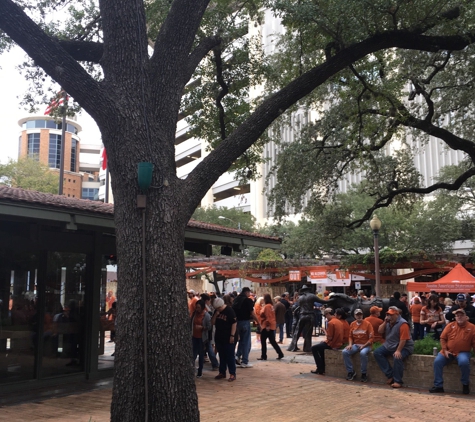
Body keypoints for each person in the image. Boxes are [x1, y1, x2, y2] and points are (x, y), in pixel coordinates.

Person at [429, 308, 475, 394]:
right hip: (448, 351)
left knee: (464, 362)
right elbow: (442, 338)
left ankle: (465, 384)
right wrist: (445, 350)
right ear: (455, 317)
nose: (459, 317)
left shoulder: (472, 328)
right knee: (437, 362)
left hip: (463, 352)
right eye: (457, 316)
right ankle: (438, 386)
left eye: (461, 315)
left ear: (466, 317)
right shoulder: (450, 325)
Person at [373, 306, 414, 388]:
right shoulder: (387, 322)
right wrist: (385, 322)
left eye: (391, 315)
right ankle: (390, 375)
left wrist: (398, 350)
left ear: (397, 315)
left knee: (397, 357)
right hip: (390, 345)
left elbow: (403, 340)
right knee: (377, 353)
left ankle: (398, 381)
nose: (389, 317)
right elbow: (380, 331)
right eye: (388, 315)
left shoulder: (403, 324)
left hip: (404, 347)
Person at [342, 309, 374, 382]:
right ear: (354, 316)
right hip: (356, 345)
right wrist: (350, 344)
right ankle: (351, 371)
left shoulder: (368, 324)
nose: (359, 316)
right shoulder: (352, 324)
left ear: (362, 315)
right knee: (345, 352)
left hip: (366, 345)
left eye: (360, 314)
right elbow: (350, 336)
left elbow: (371, 338)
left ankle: (364, 373)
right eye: (357, 315)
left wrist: (364, 346)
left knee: (363, 353)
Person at [310, 308, 343, 375]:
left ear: (328, 314)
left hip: (332, 344)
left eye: (325, 315)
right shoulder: (339, 321)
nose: (325, 317)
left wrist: (324, 331)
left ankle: (320, 368)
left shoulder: (331, 323)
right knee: (321, 347)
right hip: (338, 343)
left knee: (314, 348)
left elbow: (329, 337)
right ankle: (322, 368)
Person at [232, 287, 259, 368]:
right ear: (247, 292)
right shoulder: (248, 300)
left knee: (241, 341)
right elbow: (252, 313)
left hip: (236, 323)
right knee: (246, 342)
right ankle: (245, 361)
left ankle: (237, 356)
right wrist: (258, 322)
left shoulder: (236, 299)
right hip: (245, 322)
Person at [212, 297, 237, 382]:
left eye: (219, 308)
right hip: (219, 336)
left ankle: (232, 373)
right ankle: (222, 372)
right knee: (221, 355)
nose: (218, 309)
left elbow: (234, 324)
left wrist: (232, 336)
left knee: (230, 356)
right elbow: (213, 322)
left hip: (228, 337)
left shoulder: (229, 311)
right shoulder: (217, 311)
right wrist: (216, 314)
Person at [288, 285, 319, 353]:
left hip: (302, 315)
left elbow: (298, 307)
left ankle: (292, 346)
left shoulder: (300, 298)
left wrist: (295, 313)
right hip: (310, 315)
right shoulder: (312, 296)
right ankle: (307, 348)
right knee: (308, 333)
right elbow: (322, 301)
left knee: (297, 332)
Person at [258, 294, 284, 360]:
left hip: (266, 326)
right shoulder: (271, 306)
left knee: (263, 341)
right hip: (271, 325)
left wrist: (267, 325)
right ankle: (280, 353)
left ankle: (264, 356)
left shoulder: (267, 307)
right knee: (272, 341)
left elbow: (268, 316)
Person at [191, 300, 211, 378]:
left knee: (201, 354)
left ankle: (200, 371)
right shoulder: (194, 314)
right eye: (196, 307)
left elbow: (209, 327)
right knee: (193, 354)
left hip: (202, 338)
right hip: (194, 337)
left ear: (202, 307)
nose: (197, 309)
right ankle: (192, 369)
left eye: (199, 307)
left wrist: (202, 327)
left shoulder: (206, 315)